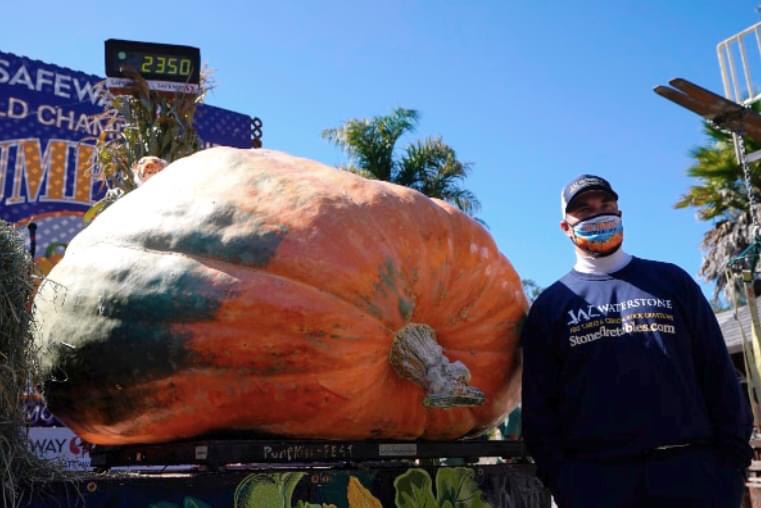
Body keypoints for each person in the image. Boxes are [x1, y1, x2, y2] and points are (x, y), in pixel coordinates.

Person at [521, 174, 753, 507]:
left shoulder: (671, 281)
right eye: (584, 210)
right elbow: (539, 407)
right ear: (565, 227)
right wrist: (563, 479)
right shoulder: (552, 306)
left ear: (620, 214)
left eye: (606, 205)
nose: (598, 215)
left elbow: (717, 370)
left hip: (694, 477)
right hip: (598, 484)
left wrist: (731, 464)